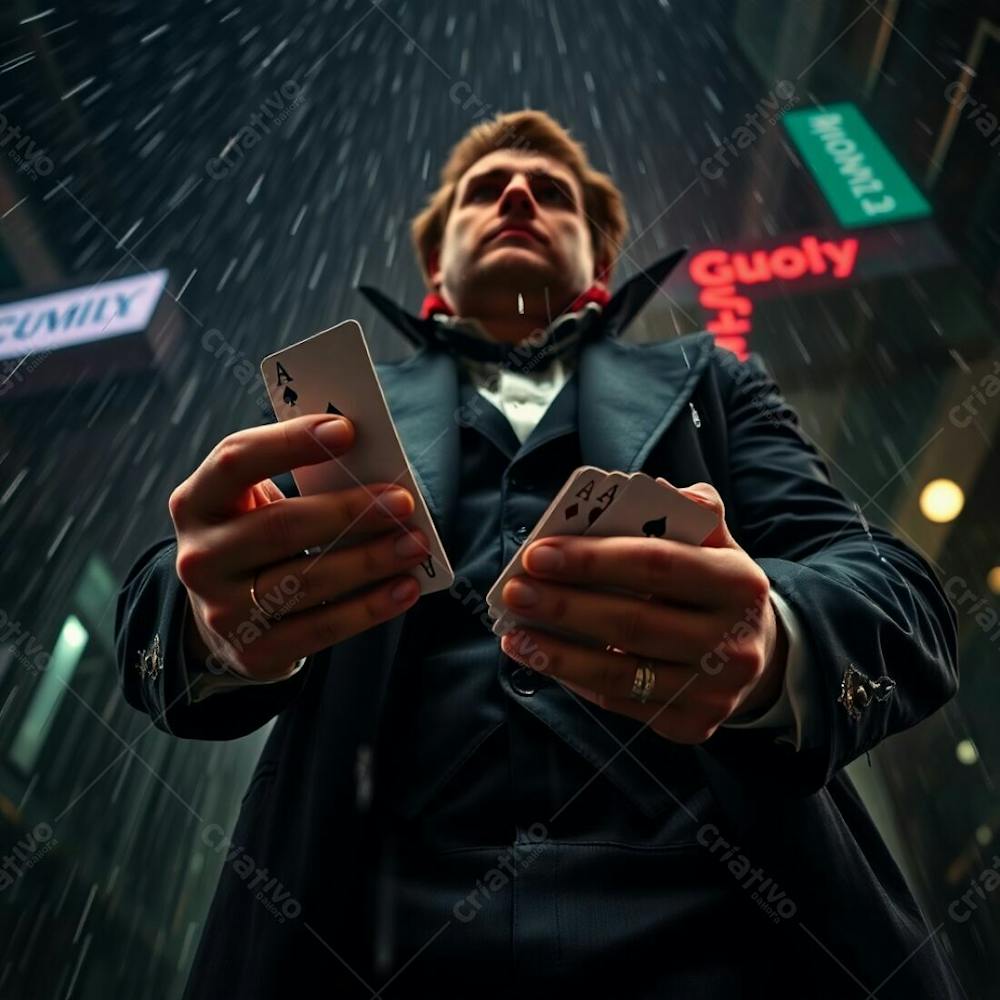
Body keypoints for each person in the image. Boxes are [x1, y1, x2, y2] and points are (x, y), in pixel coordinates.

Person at [115, 110, 963, 999]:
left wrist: (775, 641)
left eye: (551, 192)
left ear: (600, 266)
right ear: (436, 266)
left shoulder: (715, 381)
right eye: (485, 190)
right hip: (350, 934)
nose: (517, 192)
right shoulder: (338, 410)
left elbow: (895, 591)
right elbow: (159, 606)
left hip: (741, 930)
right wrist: (212, 620)